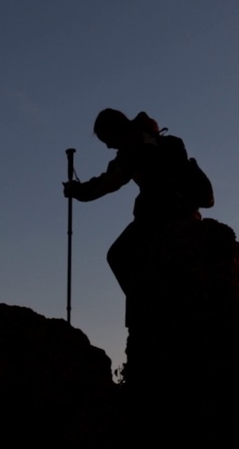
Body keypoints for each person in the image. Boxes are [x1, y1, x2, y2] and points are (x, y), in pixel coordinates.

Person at [64, 109, 209, 322]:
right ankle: (154, 301)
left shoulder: (133, 146)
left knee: (119, 255)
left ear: (116, 129)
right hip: (189, 213)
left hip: (161, 215)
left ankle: (146, 306)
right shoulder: (163, 141)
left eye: (107, 138)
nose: (107, 145)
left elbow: (111, 180)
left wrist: (78, 192)